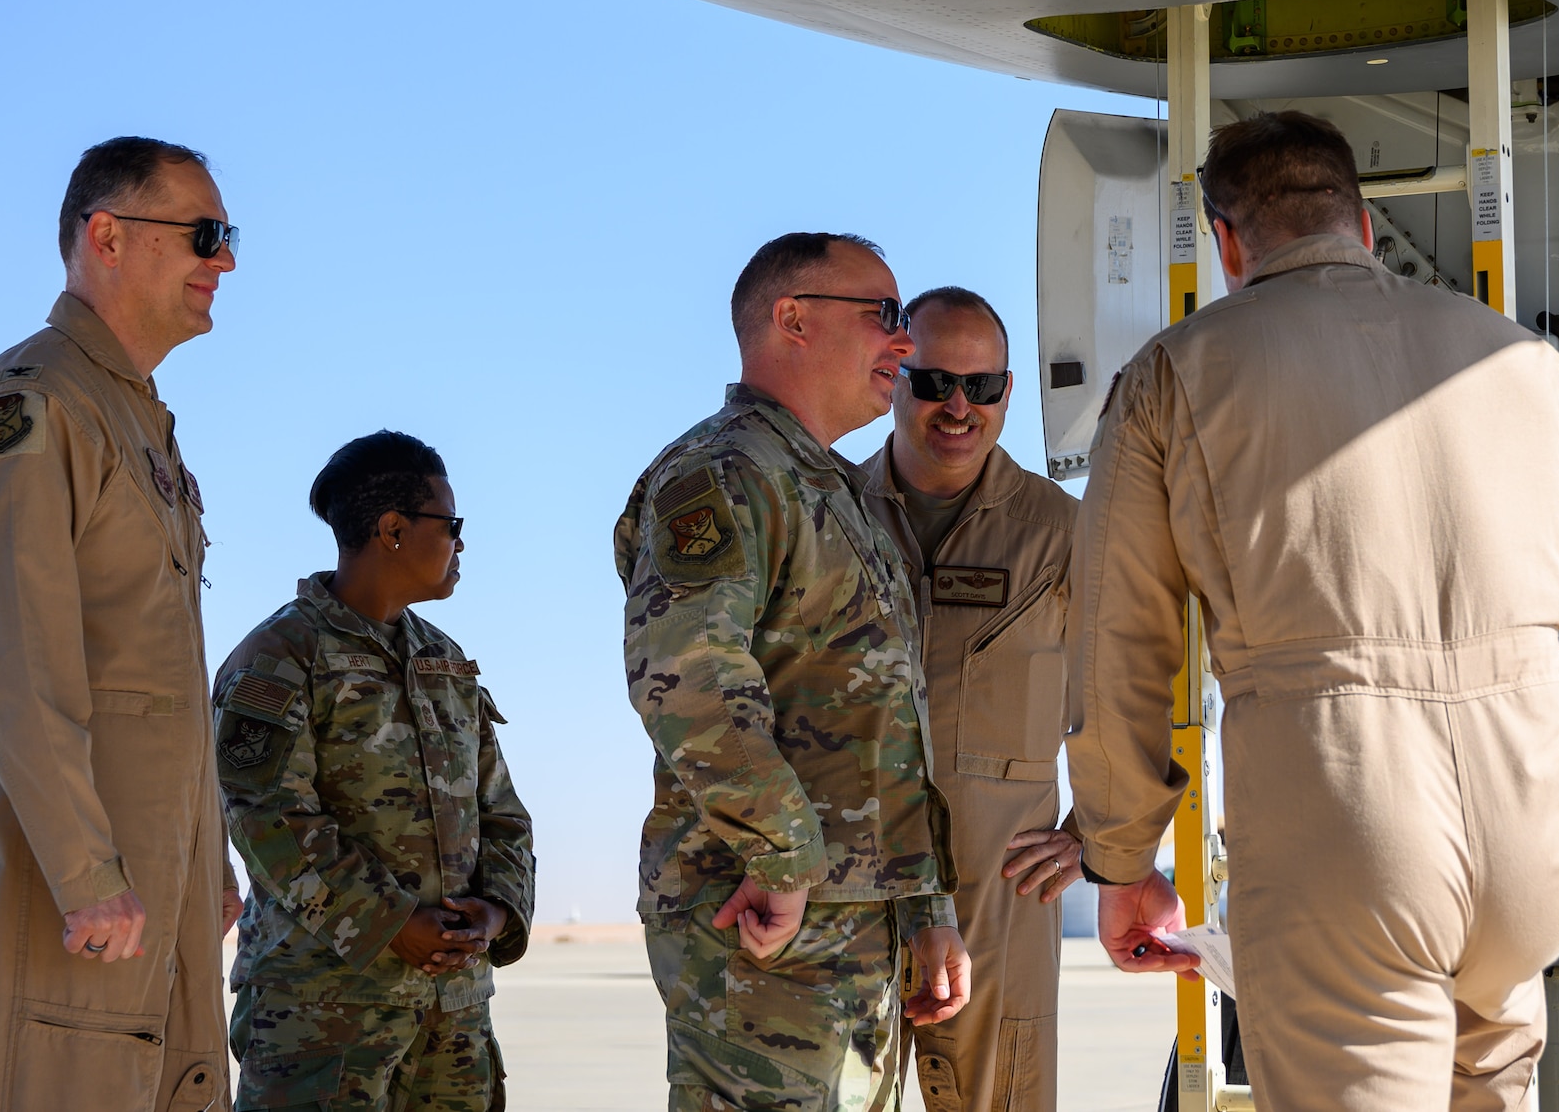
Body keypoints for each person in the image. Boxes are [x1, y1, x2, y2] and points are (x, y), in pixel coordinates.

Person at [1068, 111, 1559, 1111]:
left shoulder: (1174, 371)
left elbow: (1120, 641)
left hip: (1350, 822)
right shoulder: (1520, 360)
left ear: (1225, 240)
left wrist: (1121, 854)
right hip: (1535, 816)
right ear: (1359, 224)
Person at [615, 232, 971, 1111]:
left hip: (851, 919)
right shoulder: (726, 471)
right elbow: (687, 674)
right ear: (793, 318)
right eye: (884, 315)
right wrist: (781, 860)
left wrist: (924, 909)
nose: (905, 342)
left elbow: (886, 725)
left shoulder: (832, 488)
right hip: (762, 918)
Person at [0, 136, 240, 1112]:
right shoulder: (28, 405)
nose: (225, 260)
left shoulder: (135, 420)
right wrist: (84, 869)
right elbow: (13, 655)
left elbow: (154, 680)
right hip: (68, 891)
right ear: (106, 235)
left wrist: (207, 847)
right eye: (203, 233)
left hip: (152, 890)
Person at [214, 430, 534, 1110]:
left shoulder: (446, 660)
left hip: (451, 1017)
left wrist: (496, 911)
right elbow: (270, 820)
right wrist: (392, 922)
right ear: (392, 529)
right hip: (323, 1017)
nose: (461, 544)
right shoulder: (279, 656)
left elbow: (503, 812)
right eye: (451, 524)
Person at [859, 287, 1080, 1112]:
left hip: (1002, 886)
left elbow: (1137, 681)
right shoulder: (832, 515)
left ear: (1008, 393)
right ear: (894, 381)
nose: (959, 406)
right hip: (853, 875)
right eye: (934, 382)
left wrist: (1100, 830)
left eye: (981, 388)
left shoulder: (1060, 533)